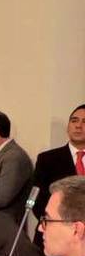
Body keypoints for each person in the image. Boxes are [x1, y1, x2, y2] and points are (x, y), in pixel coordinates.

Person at [32, 104, 85, 246]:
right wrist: (61, 226)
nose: (78, 126)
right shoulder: (47, 159)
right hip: (55, 237)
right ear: (68, 127)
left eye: (84, 122)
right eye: (74, 121)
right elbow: (38, 201)